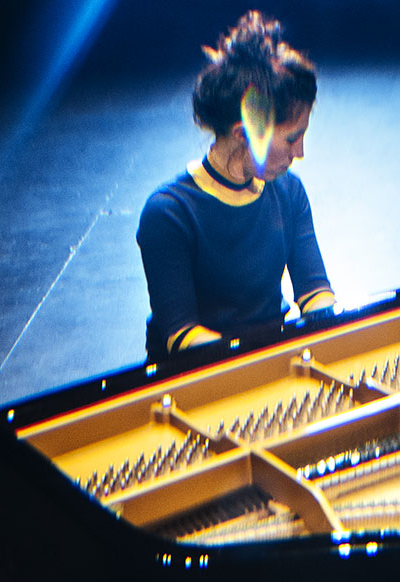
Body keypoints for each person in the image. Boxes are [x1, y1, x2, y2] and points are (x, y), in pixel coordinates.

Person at [138, 11, 334, 361]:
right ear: (246, 135)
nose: (300, 153)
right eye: (292, 139)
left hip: (273, 358)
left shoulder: (289, 192)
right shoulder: (168, 214)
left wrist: (332, 327)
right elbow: (182, 333)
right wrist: (259, 365)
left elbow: (315, 290)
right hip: (203, 375)